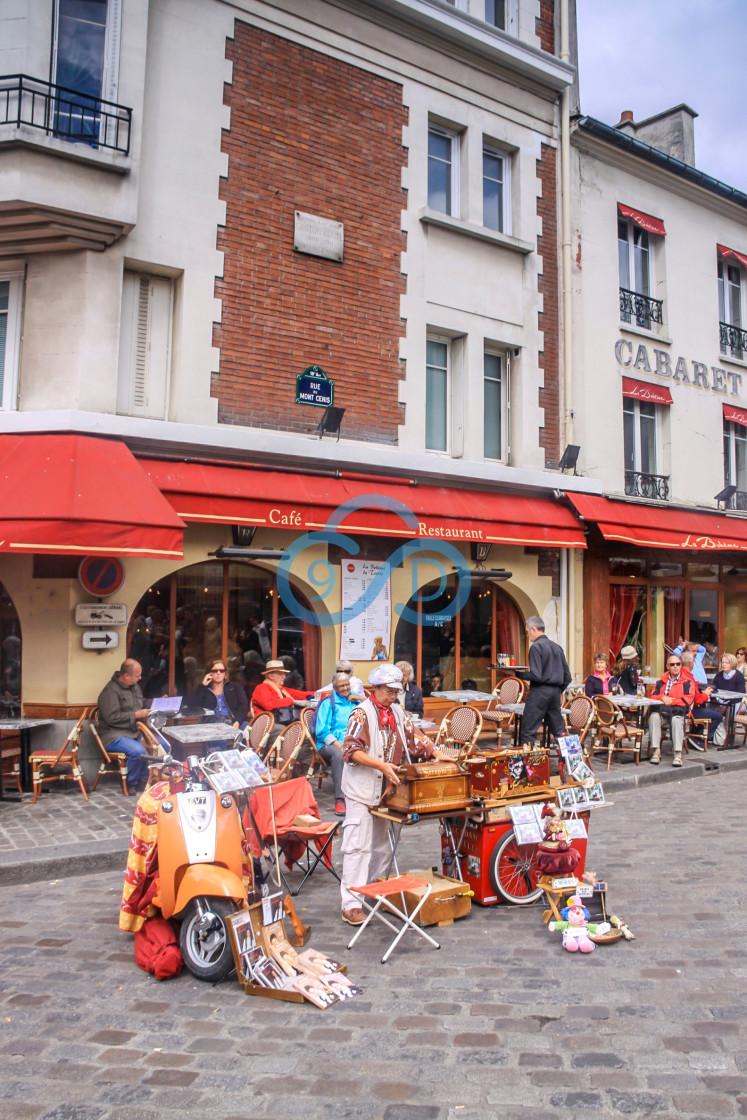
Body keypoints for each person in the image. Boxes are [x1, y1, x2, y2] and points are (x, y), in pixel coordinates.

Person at [339, 664, 449, 926]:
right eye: (388, 691)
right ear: (374, 689)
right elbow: (350, 751)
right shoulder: (360, 714)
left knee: (384, 846)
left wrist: (435, 752)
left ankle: (373, 891)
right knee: (357, 846)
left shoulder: (397, 711)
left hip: (388, 791)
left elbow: (415, 737)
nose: (393, 696)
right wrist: (380, 765)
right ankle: (351, 903)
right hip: (362, 790)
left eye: (395, 691)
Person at [97, 659, 151, 791]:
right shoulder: (110, 691)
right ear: (126, 676)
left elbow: (141, 703)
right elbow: (111, 718)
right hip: (113, 735)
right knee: (139, 751)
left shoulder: (134, 687)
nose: (140, 678)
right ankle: (130, 782)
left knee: (159, 745)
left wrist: (157, 702)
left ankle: (144, 781)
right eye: (137, 675)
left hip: (133, 732)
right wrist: (135, 715)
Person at [518, 617, 572, 747]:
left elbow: (536, 675)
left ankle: (528, 766)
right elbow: (568, 677)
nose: (527, 634)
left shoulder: (536, 647)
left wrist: (518, 674)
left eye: (527, 631)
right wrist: (558, 691)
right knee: (560, 732)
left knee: (528, 731)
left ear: (534, 628)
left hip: (539, 692)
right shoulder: (557, 647)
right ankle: (572, 764)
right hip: (555, 694)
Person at [314, 671, 361, 816]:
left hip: (353, 741)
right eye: (341, 686)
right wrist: (339, 745)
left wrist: (361, 698)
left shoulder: (356, 701)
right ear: (335, 688)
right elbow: (321, 730)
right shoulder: (329, 703)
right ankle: (340, 799)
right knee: (340, 755)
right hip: (330, 744)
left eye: (347, 684)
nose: (346, 688)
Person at [647, 654, 696, 766]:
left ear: (681, 666)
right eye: (672, 664)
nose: (675, 666)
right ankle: (656, 752)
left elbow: (687, 700)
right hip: (663, 712)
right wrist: (662, 697)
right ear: (667, 666)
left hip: (678, 712)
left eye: (678, 664)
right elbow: (651, 696)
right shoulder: (661, 681)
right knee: (654, 716)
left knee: (676, 720)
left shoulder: (687, 682)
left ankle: (678, 755)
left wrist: (671, 701)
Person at [251, 660, 314, 736]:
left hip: (281, 722)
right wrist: (289, 700)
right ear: (271, 676)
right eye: (281, 674)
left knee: (309, 729)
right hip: (265, 725)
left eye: (284, 674)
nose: (284, 677)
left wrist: (326, 694)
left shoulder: (283, 690)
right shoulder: (261, 688)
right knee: (293, 732)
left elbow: (302, 694)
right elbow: (269, 705)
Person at [186, 658, 249, 728]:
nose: (218, 673)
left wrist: (237, 721)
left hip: (233, 721)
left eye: (221, 671)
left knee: (249, 730)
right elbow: (191, 704)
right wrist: (202, 686)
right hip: (212, 724)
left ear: (225, 673)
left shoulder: (235, 687)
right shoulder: (204, 690)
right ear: (209, 673)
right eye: (215, 671)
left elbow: (243, 707)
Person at [680, 650, 722, 748]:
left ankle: (694, 735)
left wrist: (698, 684)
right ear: (690, 664)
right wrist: (706, 694)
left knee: (704, 711)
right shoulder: (688, 677)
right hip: (689, 711)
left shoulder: (681, 674)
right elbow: (698, 700)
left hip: (680, 709)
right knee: (718, 716)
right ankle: (697, 739)